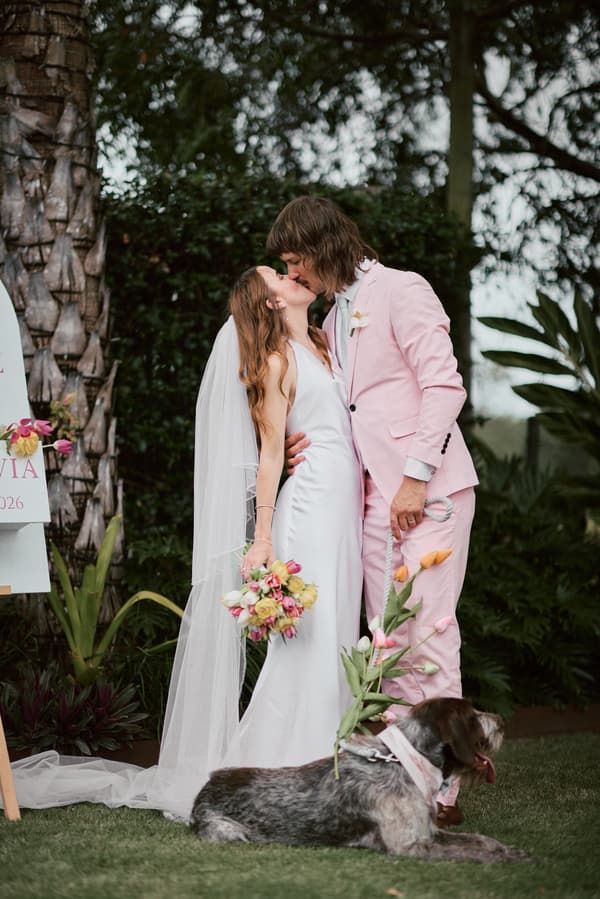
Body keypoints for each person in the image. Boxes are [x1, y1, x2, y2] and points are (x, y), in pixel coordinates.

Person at [5, 265, 362, 821]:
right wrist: (262, 536)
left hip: (344, 511)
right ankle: (281, 770)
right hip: (310, 508)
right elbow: (271, 451)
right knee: (308, 645)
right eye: (280, 277)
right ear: (269, 304)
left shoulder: (320, 343)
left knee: (339, 633)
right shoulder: (276, 362)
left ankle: (331, 759)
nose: (295, 276)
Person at [267, 196, 479, 825]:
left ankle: (446, 783)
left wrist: (414, 480)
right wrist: (305, 442)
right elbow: (339, 406)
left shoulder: (402, 289)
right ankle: (405, 771)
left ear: (323, 244)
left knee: (432, 632)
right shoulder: (331, 321)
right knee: (387, 646)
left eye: (294, 259)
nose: (293, 273)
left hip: (430, 494)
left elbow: (445, 384)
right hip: (370, 504)